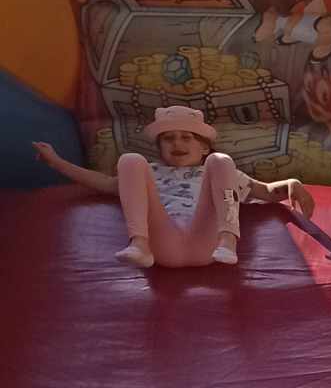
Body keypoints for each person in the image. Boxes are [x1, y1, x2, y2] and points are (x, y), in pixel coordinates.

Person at [33, 105, 314, 269]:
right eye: (168, 139)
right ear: (160, 148)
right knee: (130, 160)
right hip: (162, 245)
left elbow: (266, 191)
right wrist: (57, 162)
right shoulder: (152, 171)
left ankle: (229, 238)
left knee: (222, 161)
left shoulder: (221, 172)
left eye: (186, 137)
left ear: (203, 147)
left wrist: (291, 183)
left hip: (208, 243)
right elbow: (104, 183)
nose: (177, 143)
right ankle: (138, 243)